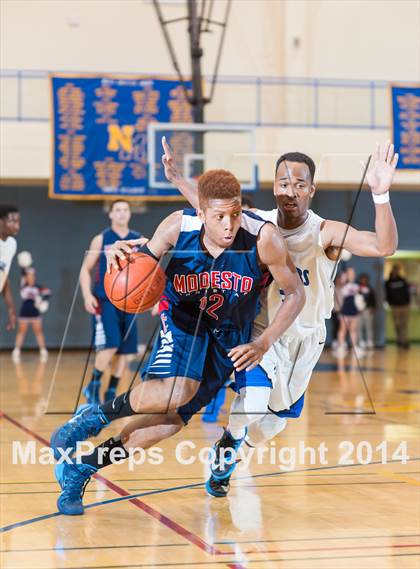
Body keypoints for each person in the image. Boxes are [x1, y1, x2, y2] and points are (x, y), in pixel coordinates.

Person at [50, 168, 305, 515]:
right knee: (177, 390)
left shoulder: (264, 239)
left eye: (235, 214)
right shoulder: (177, 226)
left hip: (230, 334)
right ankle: (90, 419)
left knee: (170, 423)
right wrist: (119, 259)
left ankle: (83, 468)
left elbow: (295, 294)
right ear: (201, 214)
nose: (229, 225)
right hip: (183, 317)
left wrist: (264, 342)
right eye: (219, 217)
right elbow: (139, 268)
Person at [162, 137, 399, 496]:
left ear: (312, 190)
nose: (290, 192)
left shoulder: (325, 232)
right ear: (274, 187)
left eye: (299, 185)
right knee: (254, 402)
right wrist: (179, 180)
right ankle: (228, 447)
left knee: (273, 424)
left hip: (306, 338)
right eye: (284, 184)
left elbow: (384, 247)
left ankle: (232, 453)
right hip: (263, 329)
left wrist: (380, 196)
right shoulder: (259, 224)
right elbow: (210, 211)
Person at [79, 199, 146, 404]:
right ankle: (93, 386)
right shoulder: (101, 239)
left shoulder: (138, 240)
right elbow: (85, 269)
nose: (122, 213)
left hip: (130, 302)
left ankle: (110, 393)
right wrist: (87, 295)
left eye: (125, 209)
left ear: (130, 214)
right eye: (117, 210)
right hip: (106, 300)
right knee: (111, 344)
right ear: (110, 214)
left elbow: (150, 270)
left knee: (125, 350)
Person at [12, 266, 51, 362]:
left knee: (38, 332)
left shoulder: (38, 287)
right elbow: (23, 273)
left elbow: (48, 292)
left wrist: (42, 301)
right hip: (24, 313)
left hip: (35, 313)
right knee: (21, 332)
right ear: (26, 277)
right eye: (29, 276)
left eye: (32, 276)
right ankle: (16, 350)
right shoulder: (23, 286)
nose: (31, 278)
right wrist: (25, 265)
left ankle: (43, 350)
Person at [335, 267, 364, 358]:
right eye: (349, 273)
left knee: (353, 330)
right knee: (342, 329)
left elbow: (359, 298)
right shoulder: (342, 284)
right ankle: (340, 347)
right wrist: (342, 281)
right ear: (346, 274)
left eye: (353, 273)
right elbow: (338, 292)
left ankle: (354, 348)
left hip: (354, 310)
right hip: (344, 310)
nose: (351, 275)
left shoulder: (356, 286)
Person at [0, 205, 20, 331]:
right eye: (12, 221)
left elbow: (3, 276)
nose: (17, 226)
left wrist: (11, 309)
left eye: (18, 222)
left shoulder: (11, 244)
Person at [386, 264, 411, 349]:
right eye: (395, 269)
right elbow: (387, 294)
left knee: (404, 325)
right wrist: (389, 302)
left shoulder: (403, 280)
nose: (396, 271)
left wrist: (408, 302)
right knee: (397, 324)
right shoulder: (389, 282)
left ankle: (404, 341)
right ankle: (399, 340)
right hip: (395, 306)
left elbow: (407, 292)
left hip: (404, 306)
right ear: (393, 270)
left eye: (397, 270)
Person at [357, 272, 376, 349]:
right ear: (360, 280)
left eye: (365, 279)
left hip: (368, 310)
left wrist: (372, 308)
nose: (364, 280)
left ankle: (369, 341)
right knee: (359, 327)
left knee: (369, 326)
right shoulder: (357, 288)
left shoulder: (370, 289)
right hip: (358, 311)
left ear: (367, 280)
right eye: (362, 279)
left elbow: (373, 300)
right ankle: (361, 341)